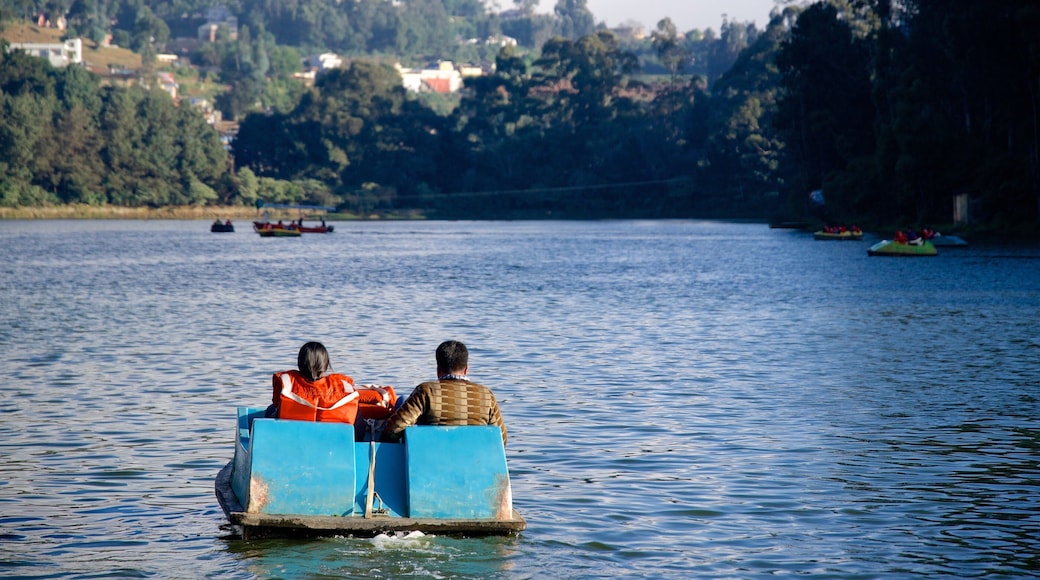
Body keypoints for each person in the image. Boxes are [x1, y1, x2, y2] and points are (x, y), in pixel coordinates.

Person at [380, 340, 507, 446]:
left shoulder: (426, 391)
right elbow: (501, 439)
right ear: (466, 368)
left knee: (401, 401)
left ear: (438, 369)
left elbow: (394, 429)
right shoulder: (486, 395)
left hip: (431, 460)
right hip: (475, 462)